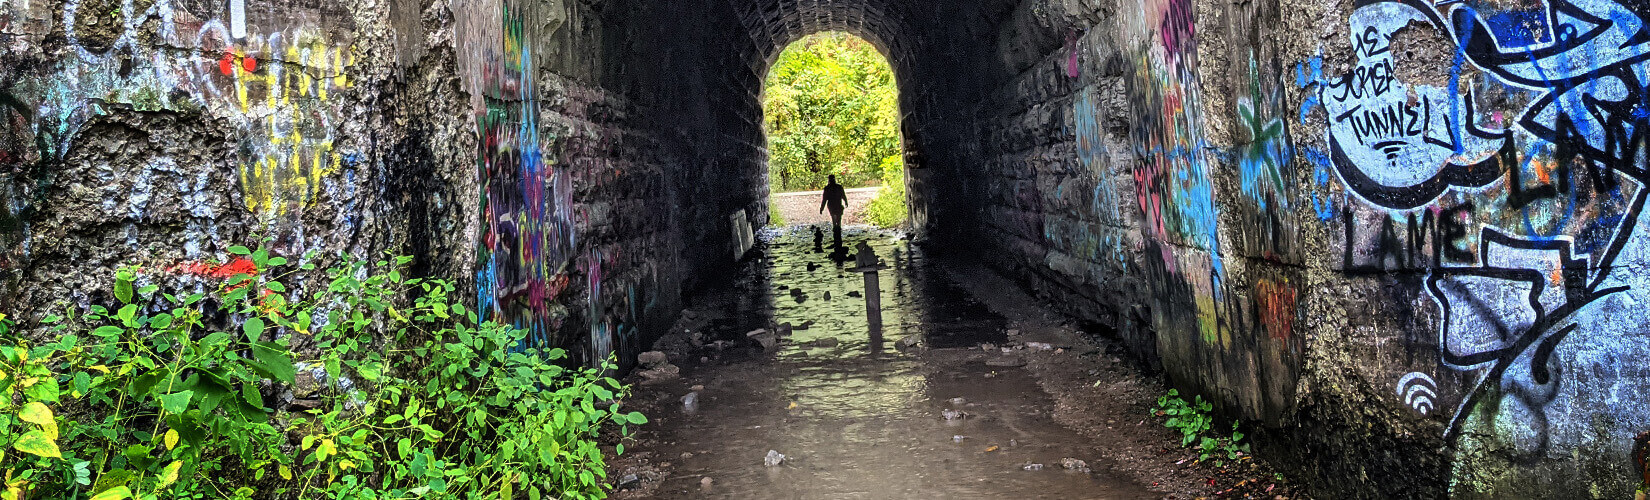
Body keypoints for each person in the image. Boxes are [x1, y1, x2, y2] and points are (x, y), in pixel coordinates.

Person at [819, 175, 849, 248]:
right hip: (837, 204)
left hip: (832, 205)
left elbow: (824, 199)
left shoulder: (827, 188)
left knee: (834, 218)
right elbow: (843, 195)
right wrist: (845, 202)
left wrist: (821, 208)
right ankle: (837, 230)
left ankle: (836, 230)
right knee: (838, 218)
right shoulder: (838, 187)